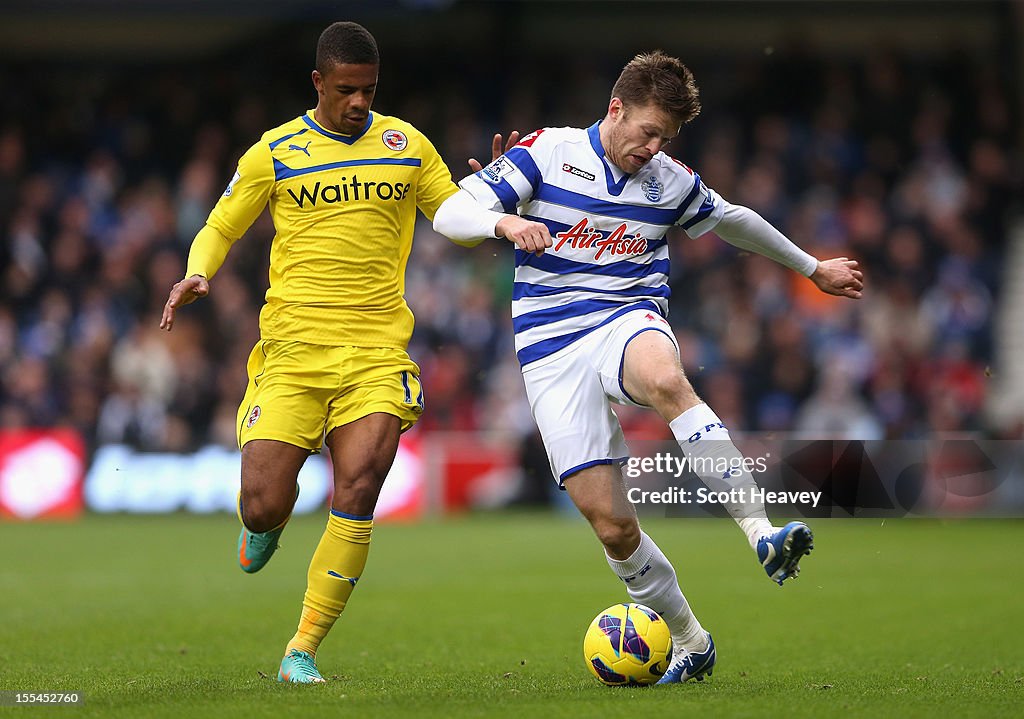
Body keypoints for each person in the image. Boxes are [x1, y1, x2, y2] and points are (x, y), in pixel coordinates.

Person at [434, 51, 863, 684]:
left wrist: (811, 267)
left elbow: (736, 221)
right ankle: (690, 639)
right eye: (648, 131)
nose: (654, 147)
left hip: (624, 318)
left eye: (667, 137)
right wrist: (502, 220)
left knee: (665, 378)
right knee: (612, 526)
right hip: (550, 352)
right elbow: (448, 213)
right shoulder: (548, 152)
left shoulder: (669, 179)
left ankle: (760, 533)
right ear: (616, 108)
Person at [160, 21, 546, 684]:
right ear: (318, 83)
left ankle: (302, 647)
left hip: (375, 352)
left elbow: (450, 213)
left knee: (360, 483)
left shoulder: (405, 145)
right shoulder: (275, 151)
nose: (359, 101)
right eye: (345, 90)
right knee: (262, 500)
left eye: (368, 89)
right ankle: (265, 522)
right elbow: (222, 222)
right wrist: (200, 269)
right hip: (292, 353)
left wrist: (501, 217)